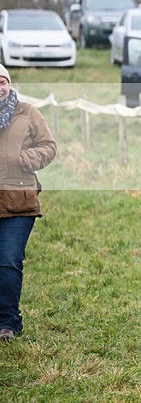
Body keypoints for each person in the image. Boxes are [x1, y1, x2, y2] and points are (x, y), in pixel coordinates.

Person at [0, 64, 57, 341]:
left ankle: (8, 323)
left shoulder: (26, 113)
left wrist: (25, 159)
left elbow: (49, 146)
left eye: (2, 81)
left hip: (19, 202)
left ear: (8, 84)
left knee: (9, 261)